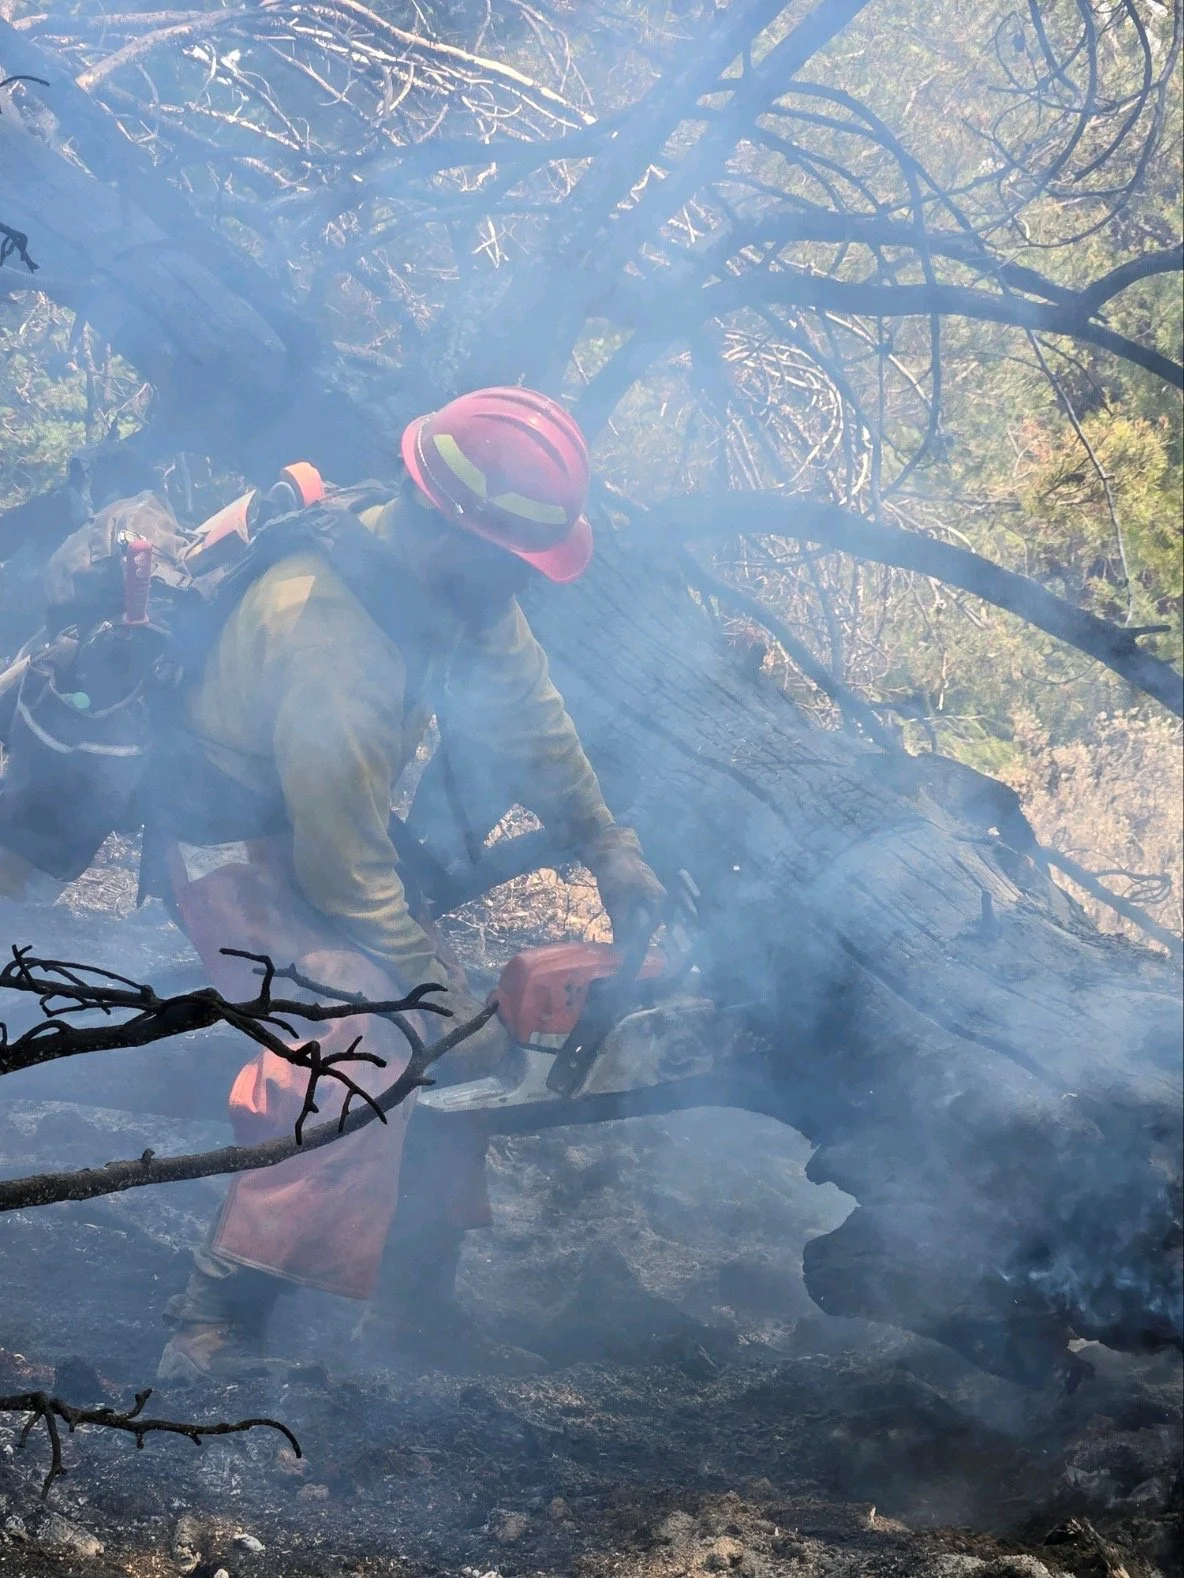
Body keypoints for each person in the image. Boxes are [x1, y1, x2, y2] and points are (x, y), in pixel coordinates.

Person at [152, 386, 665, 1382]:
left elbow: (528, 712)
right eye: (509, 567)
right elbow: (340, 868)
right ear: (449, 530)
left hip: (323, 833)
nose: (518, 588)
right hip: (234, 854)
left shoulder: (455, 585)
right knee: (369, 1033)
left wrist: (605, 841)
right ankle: (219, 1317)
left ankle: (415, 1295)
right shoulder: (327, 633)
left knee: (446, 1028)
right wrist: (434, 999)